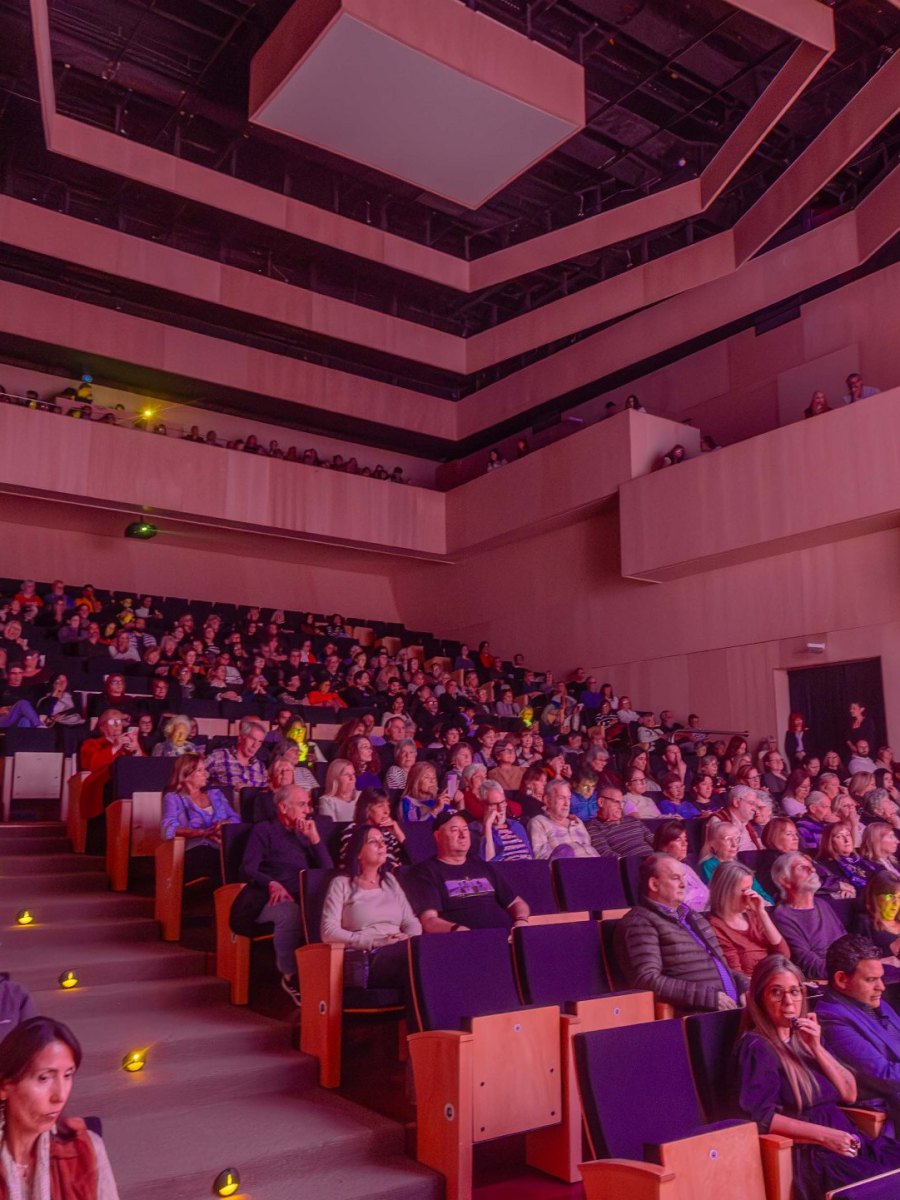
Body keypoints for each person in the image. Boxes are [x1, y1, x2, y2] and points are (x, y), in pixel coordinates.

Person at [738, 954, 900, 1200]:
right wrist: (826, 1136)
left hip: (849, 1140)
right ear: (760, 999)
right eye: (776, 992)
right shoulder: (757, 1046)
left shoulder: (805, 1038)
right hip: (813, 1152)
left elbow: (849, 1093)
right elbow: (761, 1117)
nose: (788, 1002)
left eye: (794, 992)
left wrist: (816, 1047)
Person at [0, 1016, 120, 1199]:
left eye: (68, 1075)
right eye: (44, 1078)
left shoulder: (85, 1149)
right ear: (4, 1087)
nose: (60, 1096)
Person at [614, 852, 746, 1013]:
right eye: (675, 878)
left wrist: (744, 986)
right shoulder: (639, 922)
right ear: (654, 884)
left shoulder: (693, 916)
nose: (684, 884)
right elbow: (646, 980)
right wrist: (706, 997)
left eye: (683, 877)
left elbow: (719, 968)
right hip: (700, 1014)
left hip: (732, 1009)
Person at [239, 785, 333, 1004]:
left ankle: (325, 973)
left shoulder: (305, 833)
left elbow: (328, 871)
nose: (308, 810)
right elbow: (247, 869)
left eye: (308, 805)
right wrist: (271, 883)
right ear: (282, 807)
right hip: (269, 897)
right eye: (302, 805)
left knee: (330, 910)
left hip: (305, 894)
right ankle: (290, 975)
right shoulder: (264, 830)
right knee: (290, 913)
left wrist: (315, 839)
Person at [321, 824, 421, 991]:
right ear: (358, 853)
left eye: (383, 841)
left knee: (430, 954)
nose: (382, 845)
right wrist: (374, 942)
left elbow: (411, 921)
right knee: (417, 962)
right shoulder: (341, 884)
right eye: (374, 842)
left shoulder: (390, 881)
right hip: (368, 956)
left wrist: (409, 939)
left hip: (400, 948)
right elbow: (328, 931)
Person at [817, 935, 900, 1133]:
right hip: (885, 1116)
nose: (881, 986)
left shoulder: (874, 1002)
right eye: (871, 980)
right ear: (841, 979)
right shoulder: (830, 1018)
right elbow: (883, 1076)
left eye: (880, 978)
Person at [405, 811, 530, 932]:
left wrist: (521, 920)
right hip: (464, 941)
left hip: (506, 935)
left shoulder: (482, 865)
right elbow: (429, 921)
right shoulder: (425, 872)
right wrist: (456, 930)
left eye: (465, 829)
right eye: (455, 830)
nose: (463, 835)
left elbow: (516, 902)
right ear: (438, 836)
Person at [160, 754, 240, 883]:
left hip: (221, 847)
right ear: (186, 775)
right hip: (194, 850)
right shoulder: (173, 798)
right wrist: (203, 833)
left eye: (205, 769)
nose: (206, 774)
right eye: (200, 770)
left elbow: (236, 819)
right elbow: (167, 829)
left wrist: (224, 824)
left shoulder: (216, 794)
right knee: (217, 860)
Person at [770, 852, 846, 981]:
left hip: (846, 972)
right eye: (802, 868)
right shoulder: (782, 916)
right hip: (828, 979)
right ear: (785, 881)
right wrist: (849, 972)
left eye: (811, 866)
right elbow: (809, 965)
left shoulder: (822, 904)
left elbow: (847, 943)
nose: (813, 870)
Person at [708, 860, 790, 975]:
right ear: (726, 892)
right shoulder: (714, 927)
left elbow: (784, 955)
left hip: (774, 977)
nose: (750, 894)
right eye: (744, 890)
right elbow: (737, 976)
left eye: (751, 888)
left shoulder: (754, 917)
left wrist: (762, 913)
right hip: (753, 983)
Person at [699, 821, 773, 902]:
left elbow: (760, 892)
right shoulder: (709, 865)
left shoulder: (741, 863)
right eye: (728, 839)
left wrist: (768, 903)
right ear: (713, 844)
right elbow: (722, 897)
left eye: (737, 839)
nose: (734, 844)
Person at [528, 780, 598, 860]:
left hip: (598, 863)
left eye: (569, 798)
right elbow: (542, 857)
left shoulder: (577, 822)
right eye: (561, 798)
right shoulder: (538, 823)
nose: (567, 804)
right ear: (547, 800)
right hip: (572, 866)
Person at [652, 820, 708, 911]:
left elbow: (706, 891)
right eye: (678, 840)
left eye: (685, 839)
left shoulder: (686, 867)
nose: (685, 844)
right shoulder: (661, 871)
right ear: (663, 846)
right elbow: (679, 904)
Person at [470, 781, 531, 862]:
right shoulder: (475, 829)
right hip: (504, 868)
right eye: (495, 804)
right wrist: (487, 825)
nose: (501, 808)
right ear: (483, 805)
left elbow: (531, 856)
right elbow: (487, 861)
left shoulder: (516, 826)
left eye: (503, 802)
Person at [850, 870, 900, 969]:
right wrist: (891, 951)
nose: (896, 903)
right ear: (874, 896)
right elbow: (856, 961)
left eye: (899, 897)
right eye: (890, 896)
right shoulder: (864, 922)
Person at [586, 788, 654, 858]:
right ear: (601, 802)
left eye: (622, 802)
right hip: (633, 862)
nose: (621, 807)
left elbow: (652, 839)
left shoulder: (632, 819)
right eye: (616, 802)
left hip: (655, 858)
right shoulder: (594, 826)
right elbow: (605, 853)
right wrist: (630, 862)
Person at [205, 719, 267, 790]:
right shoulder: (217, 756)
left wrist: (249, 790)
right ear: (240, 738)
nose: (255, 745)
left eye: (260, 742)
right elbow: (196, 777)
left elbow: (264, 792)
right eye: (252, 739)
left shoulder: (260, 766)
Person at [817, 822, 871, 893]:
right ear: (829, 842)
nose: (846, 840)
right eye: (839, 836)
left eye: (848, 835)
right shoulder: (826, 865)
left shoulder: (864, 861)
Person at [317, 759, 359, 823]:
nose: (352, 778)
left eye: (353, 774)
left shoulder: (362, 796)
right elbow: (329, 827)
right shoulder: (327, 801)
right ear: (335, 778)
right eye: (347, 775)